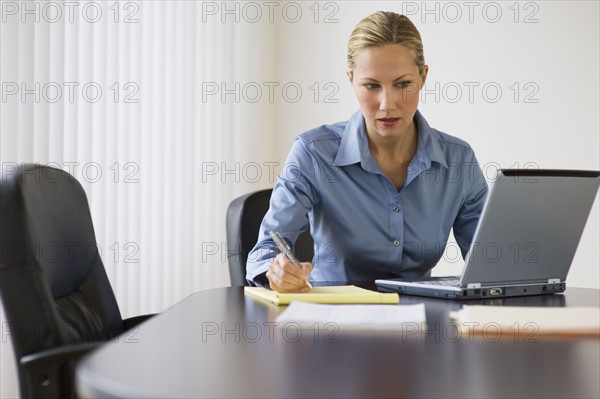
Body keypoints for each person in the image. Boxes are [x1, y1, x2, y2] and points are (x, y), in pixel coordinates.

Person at [246, 11, 488, 292]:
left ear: (423, 77)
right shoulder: (312, 154)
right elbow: (264, 250)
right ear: (351, 79)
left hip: (420, 323)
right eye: (372, 86)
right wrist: (277, 272)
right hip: (334, 323)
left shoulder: (458, 160)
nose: (387, 104)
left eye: (403, 84)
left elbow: (486, 256)